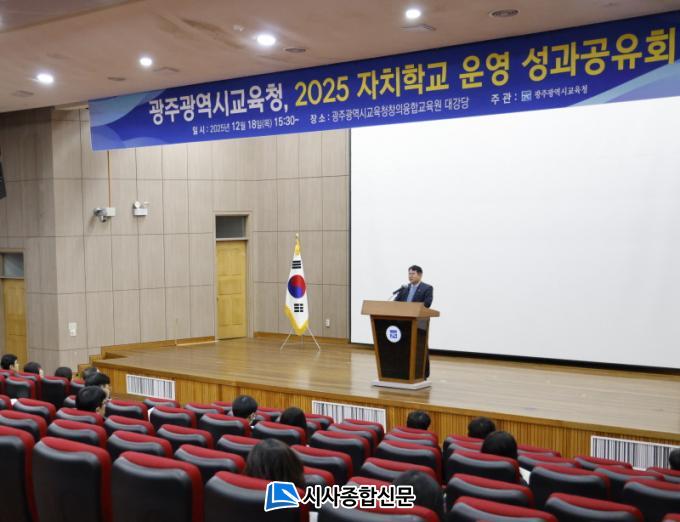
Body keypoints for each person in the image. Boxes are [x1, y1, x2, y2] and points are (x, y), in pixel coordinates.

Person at [394, 265, 434, 378]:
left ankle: (423, 373)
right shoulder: (404, 288)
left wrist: (412, 309)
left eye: (413, 274)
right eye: (409, 274)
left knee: (420, 347)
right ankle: (404, 371)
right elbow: (396, 303)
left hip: (418, 323)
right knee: (403, 347)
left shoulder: (427, 288)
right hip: (403, 322)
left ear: (420, 275)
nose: (410, 276)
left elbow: (427, 304)